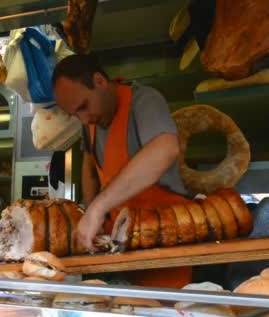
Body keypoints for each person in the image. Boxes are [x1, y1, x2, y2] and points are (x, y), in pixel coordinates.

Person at [52, 54, 192, 288]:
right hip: (118, 244)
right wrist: (91, 213)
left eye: (84, 107)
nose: (84, 120)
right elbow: (88, 166)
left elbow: (165, 148)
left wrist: (98, 207)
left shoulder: (145, 101)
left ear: (99, 81)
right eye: (76, 115)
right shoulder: (91, 124)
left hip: (165, 238)